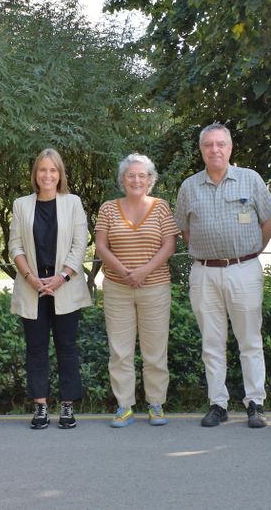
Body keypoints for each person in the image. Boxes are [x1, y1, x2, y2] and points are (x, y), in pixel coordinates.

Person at [175, 123, 271, 428]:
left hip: (244, 270)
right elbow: (185, 230)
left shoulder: (250, 179)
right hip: (205, 272)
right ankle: (217, 404)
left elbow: (269, 223)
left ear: (230, 148)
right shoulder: (189, 187)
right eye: (208, 145)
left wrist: (249, 254)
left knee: (249, 339)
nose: (215, 150)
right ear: (201, 150)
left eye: (220, 144)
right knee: (212, 341)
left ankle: (255, 402)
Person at [94, 153, 178, 428]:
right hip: (117, 288)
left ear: (150, 179)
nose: (137, 179)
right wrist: (124, 272)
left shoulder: (161, 207)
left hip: (155, 287)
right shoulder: (108, 208)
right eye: (131, 175)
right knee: (120, 351)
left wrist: (143, 272)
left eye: (142, 175)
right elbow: (101, 246)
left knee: (155, 350)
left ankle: (156, 403)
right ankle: (124, 405)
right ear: (122, 179)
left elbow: (169, 245)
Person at [9, 148, 90, 429]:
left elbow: (80, 245)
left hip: (64, 287)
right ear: (35, 174)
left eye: (53, 170)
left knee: (67, 348)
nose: (47, 175)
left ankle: (67, 406)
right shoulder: (21, 205)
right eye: (42, 170)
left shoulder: (73, 203)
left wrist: (62, 277)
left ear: (60, 174)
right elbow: (15, 246)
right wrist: (31, 278)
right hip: (33, 287)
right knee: (36, 349)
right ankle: (40, 406)